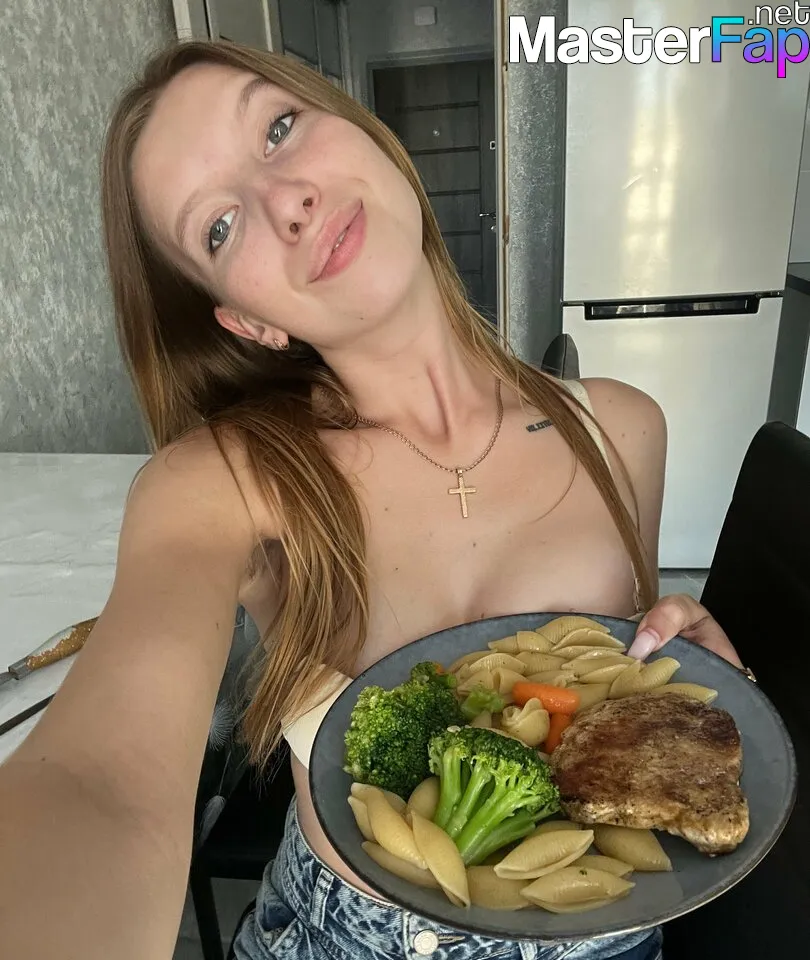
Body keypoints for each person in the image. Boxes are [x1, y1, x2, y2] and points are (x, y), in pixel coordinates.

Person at [0, 40, 745, 960]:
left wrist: (674, 670)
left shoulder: (624, 430)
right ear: (247, 321)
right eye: (219, 226)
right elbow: (99, 781)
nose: (287, 202)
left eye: (279, 128)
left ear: (366, 134)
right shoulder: (221, 482)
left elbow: (613, 684)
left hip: (605, 928)